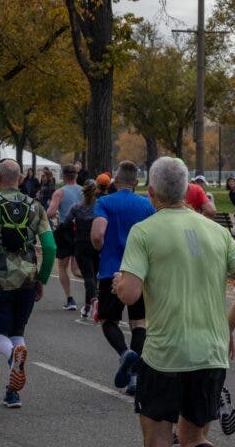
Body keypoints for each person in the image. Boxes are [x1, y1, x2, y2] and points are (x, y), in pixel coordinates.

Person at [113, 156, 235, 447]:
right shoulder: (217, 231)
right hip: (210, 351)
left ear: (151, 193)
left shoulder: (143, 231)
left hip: (165, 354)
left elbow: (130, 294)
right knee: (193, 439)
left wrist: (120, 283)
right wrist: (227, 326)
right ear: (186, 191)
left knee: (158, 438)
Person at [0, 159, 56, 409]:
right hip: (27, 278)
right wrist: (42, 279)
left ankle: (12, 356)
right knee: (17, 333)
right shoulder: (36, 206)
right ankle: (12, 393)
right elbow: (50, 247)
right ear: (20, 178)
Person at [90, 160, 156, 395]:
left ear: (115, 181)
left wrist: (101, 249)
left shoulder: (105, 202)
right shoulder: (147, 205)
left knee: (108, 320)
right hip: (139, 271)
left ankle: (124, 353)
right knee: (139, 323)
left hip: (111, 269)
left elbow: (98, 234)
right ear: (136, 182)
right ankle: (135, 377)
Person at [47, 163, 83, 311]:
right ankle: (94, 283)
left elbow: (50, 212)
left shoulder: (59, 193)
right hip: (81, 230)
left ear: (63, 175)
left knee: (62, 265)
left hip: (65, 230)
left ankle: (70, 299)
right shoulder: (84, 191)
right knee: (76, 269)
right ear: (76, 175)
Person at [63, 180, 100, 319]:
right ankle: (88, 306)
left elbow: (66, 223)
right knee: (93, 276)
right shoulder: (99, 207)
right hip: (96, 243)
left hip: (81, 243)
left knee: (88, 276)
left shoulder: (76, 207)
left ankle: (93, 301)